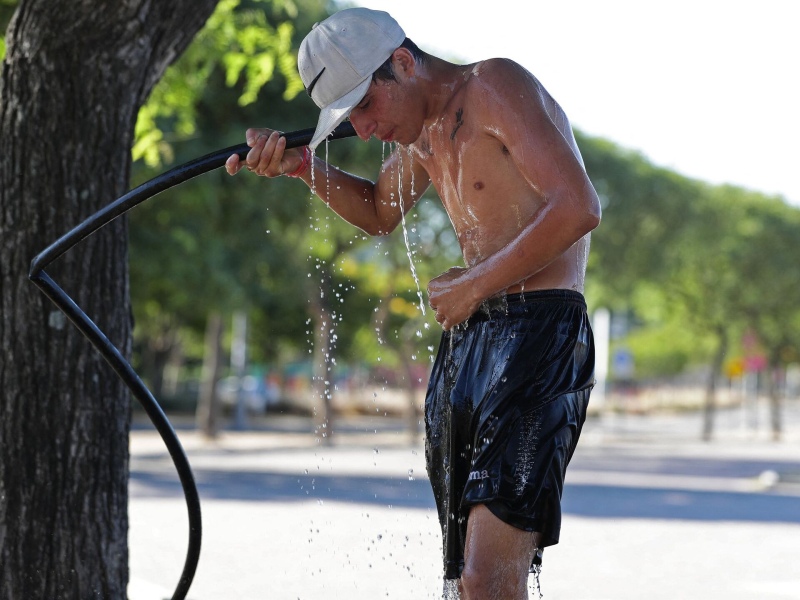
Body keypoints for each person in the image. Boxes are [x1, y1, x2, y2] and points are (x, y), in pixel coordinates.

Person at [226, 7, 600, 599]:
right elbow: (379, 210)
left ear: (401, 62)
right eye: (351, 118)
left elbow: (579, 206)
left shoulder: (494, 85)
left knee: (487, 579)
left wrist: (477, 284)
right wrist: (302, 167)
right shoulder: (425, 131)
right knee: (461, 578)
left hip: (540, 334)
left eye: (367, 107)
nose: (366, 130)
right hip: (471, 340)